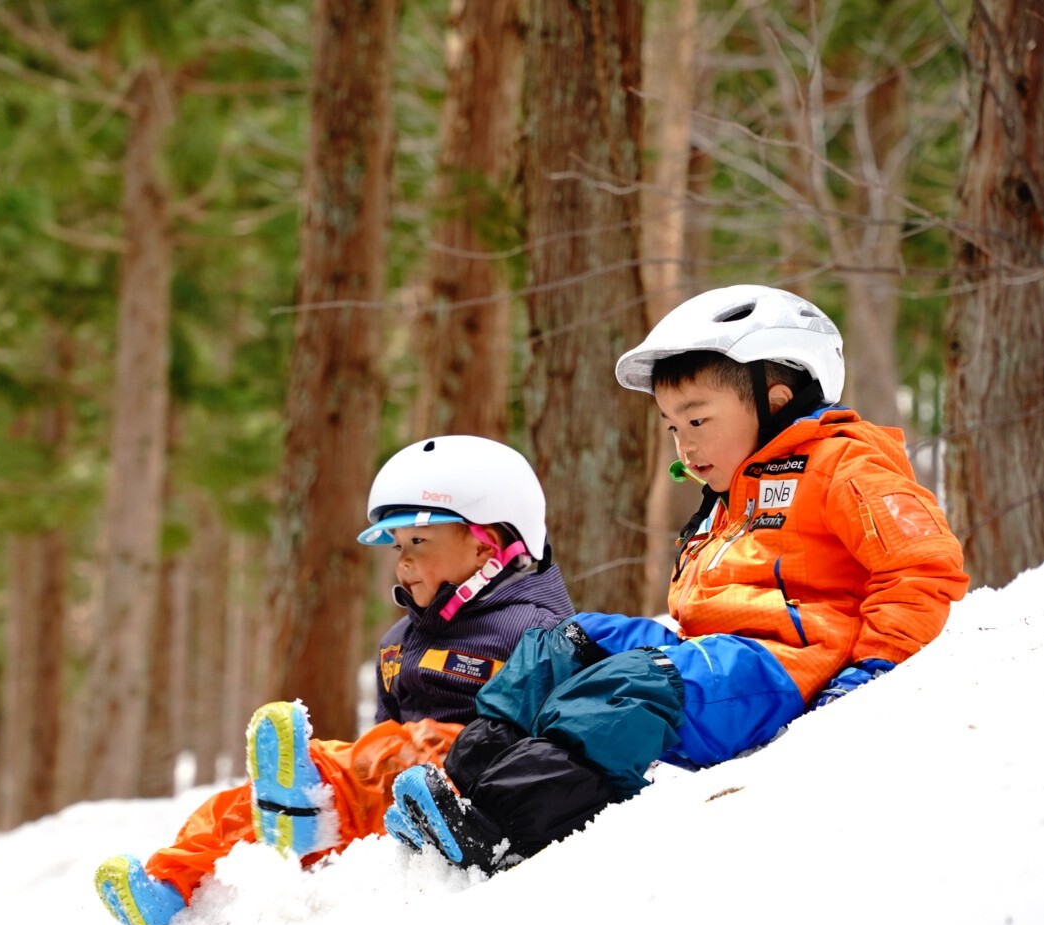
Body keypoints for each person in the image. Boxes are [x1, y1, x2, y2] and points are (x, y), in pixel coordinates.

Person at [386, 284, 970, 873]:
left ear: (778, 397)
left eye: (697, 420)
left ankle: (509, 823)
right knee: (565, 641)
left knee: (631, 682)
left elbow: (922, 564)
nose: (685, 447)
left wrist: (872, 671)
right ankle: (469, 777)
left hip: (785, 665)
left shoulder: (844, 464)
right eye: (671, 427)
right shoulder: (728, 493)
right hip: (712, 658)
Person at [95, 434, 576, 925]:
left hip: (466, 789)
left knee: (395, 752)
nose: (403, 563)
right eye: (398, 547)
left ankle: (313, 800)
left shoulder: (533, 631)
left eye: (419, 542)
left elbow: (548, 741)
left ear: (486, 546)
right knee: (241, 804)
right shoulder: (398, 642)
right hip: (384, 790)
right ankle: (169, 891)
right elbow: (385, 728)